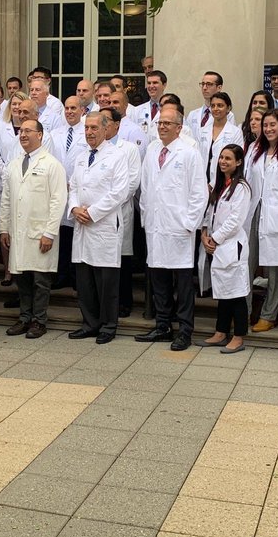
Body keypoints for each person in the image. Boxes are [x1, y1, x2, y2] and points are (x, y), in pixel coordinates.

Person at [138, 107, 209, 351]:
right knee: (158, 280)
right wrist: (146, 218)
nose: (163, 127)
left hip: (179, 228)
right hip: (156, 227)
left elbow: (199, 194)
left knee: (183, 284)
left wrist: (189, 224)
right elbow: (146, 188)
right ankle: (162, 326)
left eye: (168, 123)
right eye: (160, 123)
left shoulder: (189, 153)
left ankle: (185, 330)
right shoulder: (151, 151)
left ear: (179, 127)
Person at [68, 111, 132, 344]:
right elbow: (73, 186)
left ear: (106, 130)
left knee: (106, 281)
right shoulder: (81, 156)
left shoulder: (117, 156)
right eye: (87, 128)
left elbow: (119, 192)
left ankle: (108, 324)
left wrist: (92, 213)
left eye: (94, 128)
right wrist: (75, 208)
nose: (90, 132)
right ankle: (89, 323)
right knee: (85, 280)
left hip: (103, 224)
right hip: (82, 224)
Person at [0, 119, 67, 338]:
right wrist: (3, 228)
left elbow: (58, 200)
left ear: (40, 135)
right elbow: (6, 198)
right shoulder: (14, 164)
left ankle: (39, 320)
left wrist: (49, 233)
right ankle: (24, 318)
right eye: (21, 131)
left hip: (40, 233)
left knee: (40, 279)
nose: (23, 134)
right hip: (18, 231)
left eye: (28, 131)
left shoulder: (52, 164)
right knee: (23, 278)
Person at [195, 144, 252, 353]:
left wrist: (214, 239)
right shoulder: (219, 186)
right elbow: (210, 212)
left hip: (230, 246)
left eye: (228, 158)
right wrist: (204, 232)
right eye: (221, 158)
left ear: (238, 162)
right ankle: (220, 332)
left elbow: (235, 221)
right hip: (216, 246)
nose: (223, 162)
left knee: (236, 293)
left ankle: (238, 336)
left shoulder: (242, 188)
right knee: (223, 292)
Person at [197, 91, 244, 186]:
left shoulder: (235, 132)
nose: (215, 109)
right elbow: (197, 158)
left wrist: (214, 183)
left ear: (228, 108)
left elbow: (237, 159)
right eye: (213, 105)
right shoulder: (202, 131)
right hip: (202, 182)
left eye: (220, 105)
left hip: (224, 182)